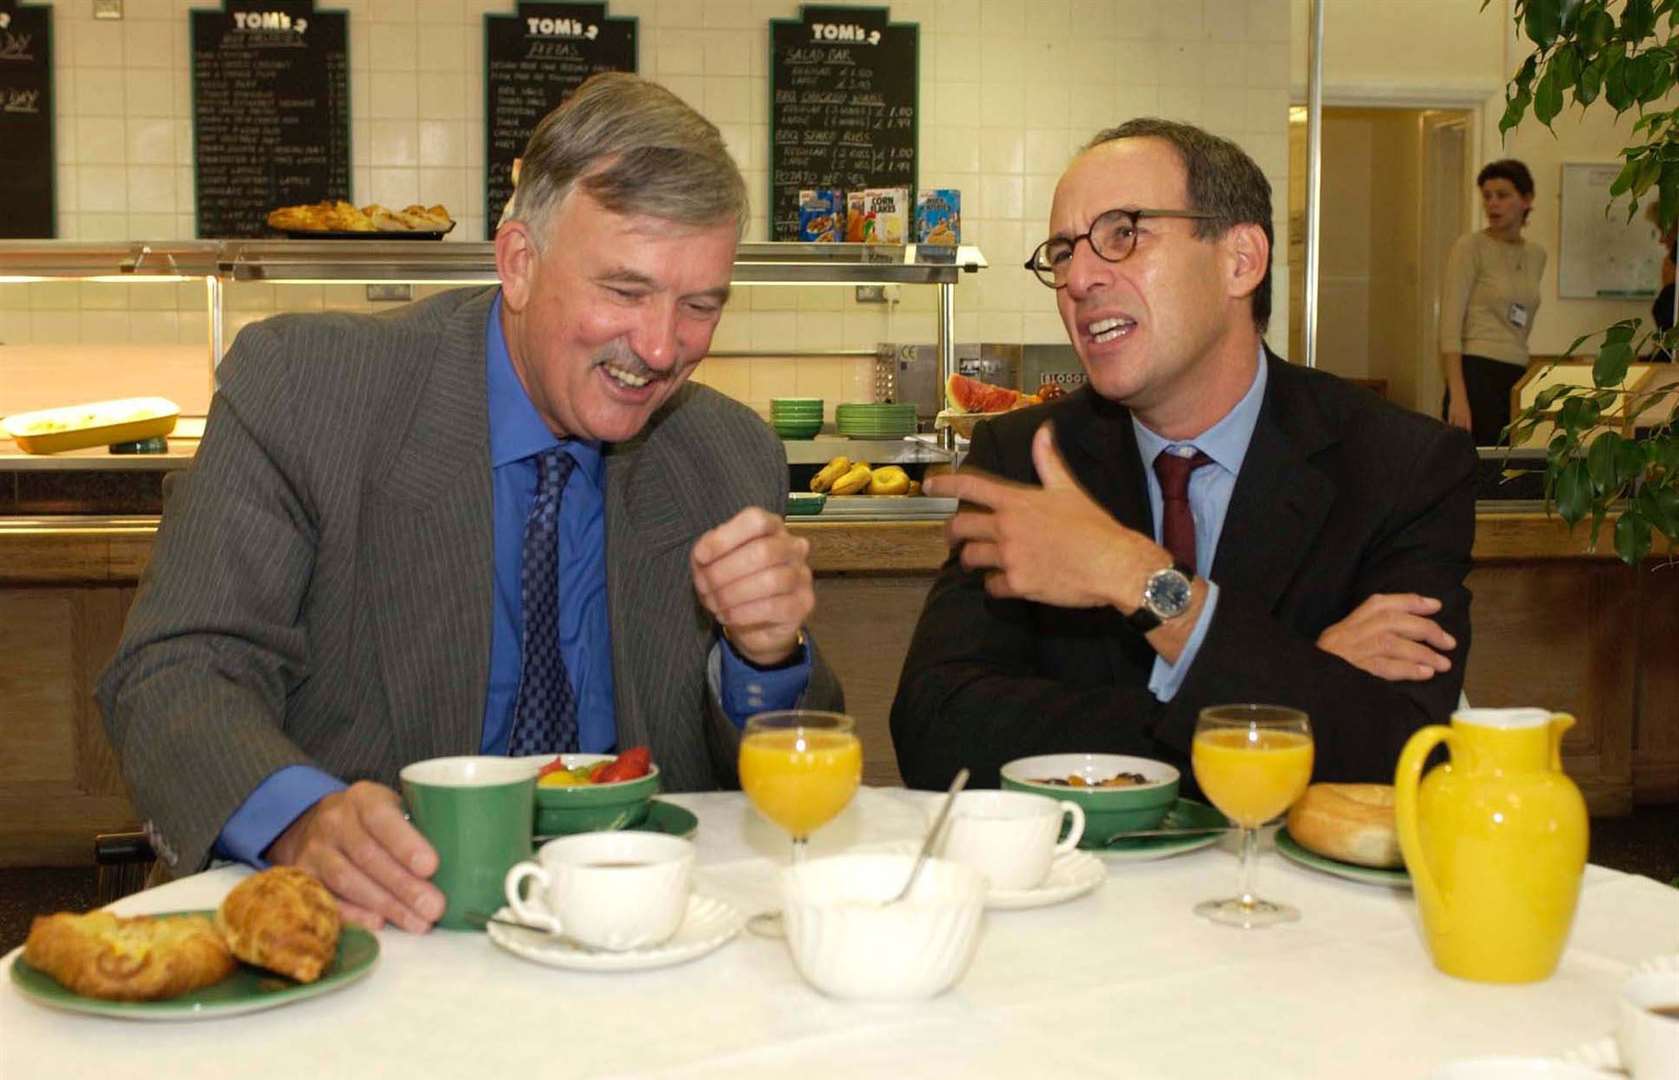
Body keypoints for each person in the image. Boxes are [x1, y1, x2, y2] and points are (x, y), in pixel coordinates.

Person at [97, 73, 842, 932]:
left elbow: (779, 779)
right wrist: (299, 818)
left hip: (634, 937)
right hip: (376, 928)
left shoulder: (726, 453)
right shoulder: (308, 391)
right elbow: (177, 669)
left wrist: (763, 652)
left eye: (699, 305)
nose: (661, 347)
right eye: (625, 292)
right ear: (518, 262)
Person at [890, 118, 1476, 792]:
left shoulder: (1399, 466)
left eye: (1122, 235)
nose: (1077, 277)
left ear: (1240, 261)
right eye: (1061, 251)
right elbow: (936, 732)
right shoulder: (1024, 458)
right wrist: (1275, 700)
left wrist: (1143, 584)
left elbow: (1402, 750)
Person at [1440, 159, 1546, 445]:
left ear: (1526, 200)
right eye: (1487, 197)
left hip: (1516, 374)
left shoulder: (1537, 255)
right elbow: (1450, 327)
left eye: (1502, 195)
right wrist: (1458, 397)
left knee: (1511, 470)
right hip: (1476, 372)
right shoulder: (1470, 248)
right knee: (1478, 470)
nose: (1492, 204)